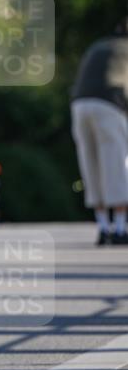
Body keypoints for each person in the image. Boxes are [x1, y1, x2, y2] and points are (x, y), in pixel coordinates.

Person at [71, 19, 128, 245]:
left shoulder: (99, 46)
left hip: (79, 104)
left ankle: (104, 227)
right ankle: (121, 228)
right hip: (109, 105)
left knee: (91, 165)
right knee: (116, 165)